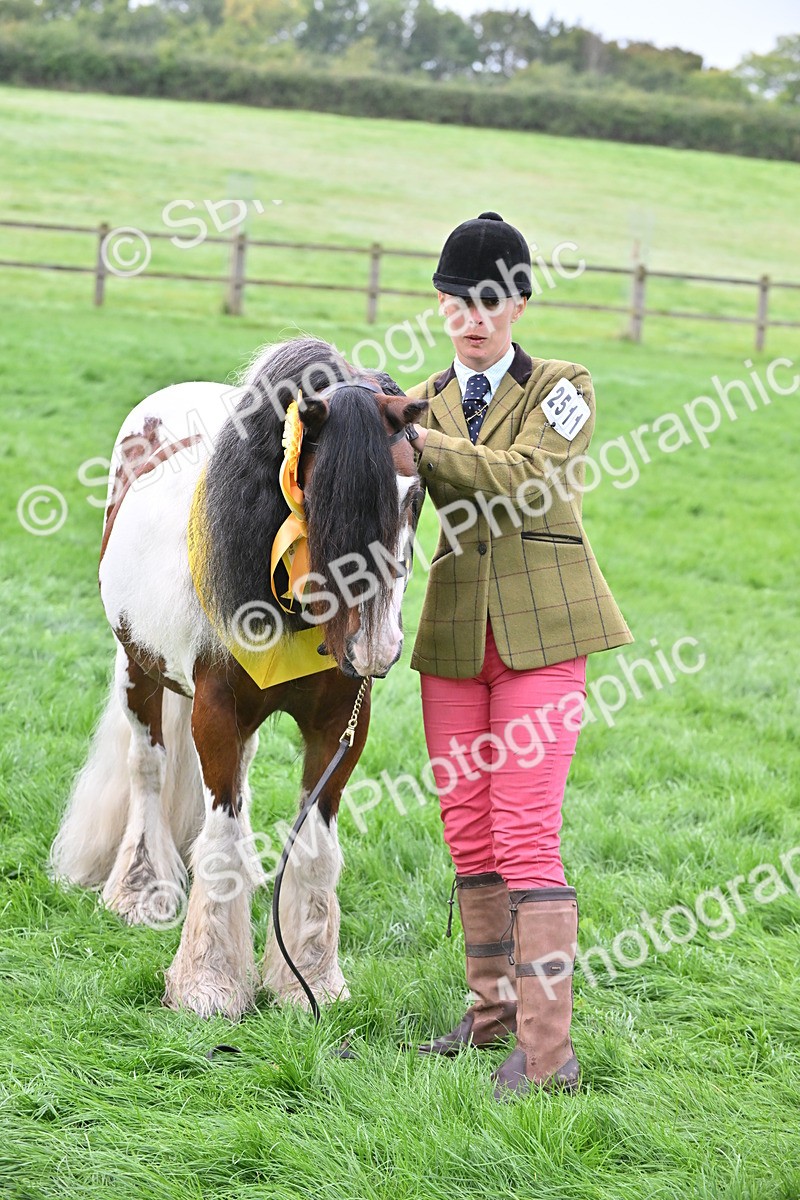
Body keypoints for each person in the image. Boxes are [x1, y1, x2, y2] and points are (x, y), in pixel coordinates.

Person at [404, 212, 633, 1101]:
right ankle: (490, 1019)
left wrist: (418, 444)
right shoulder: (417, 399)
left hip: (546, 637)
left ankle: (548, 1057)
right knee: (467, 826)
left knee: (526, 832)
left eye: (492, 299)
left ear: (521, 302)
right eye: (457, 300)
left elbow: (528, 478)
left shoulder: (561, 387)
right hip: (455, 641)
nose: (474, 315)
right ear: (440, 304)